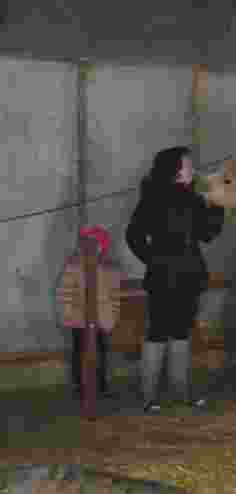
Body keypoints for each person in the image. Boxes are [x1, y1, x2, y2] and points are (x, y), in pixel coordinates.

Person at [126, 146, 225, 413]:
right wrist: (153, 259)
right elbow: (133, 235)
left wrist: (217, 205)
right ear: (174, 170)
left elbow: (208, 233)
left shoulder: (194, 199)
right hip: (162, 277)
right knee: (158, 332)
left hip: (189, 276)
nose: (192, 169)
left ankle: (181, 393)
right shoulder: (152, 199)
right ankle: (148, 398)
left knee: (181, 331)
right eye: (187, 165)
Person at [58, 225, 117, 399]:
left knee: (100, 352)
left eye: (95, 245)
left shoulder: (108, 267)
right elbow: (65, 293)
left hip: (100, 320)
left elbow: (112, 296)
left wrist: (110, 318)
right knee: (80, 352)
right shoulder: (74, 266)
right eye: (86, 243)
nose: (91, 248)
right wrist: (69, 314)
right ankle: (80, 385)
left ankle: (100, 385)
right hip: (79, 320)